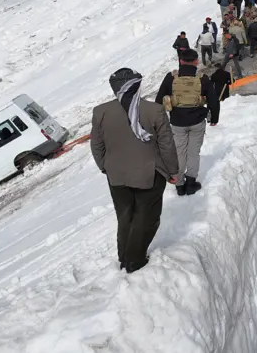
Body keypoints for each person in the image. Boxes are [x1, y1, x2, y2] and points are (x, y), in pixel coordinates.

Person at [90, 68, 179, 273]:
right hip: (150, 173)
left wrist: (106, 166)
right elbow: (166, 145)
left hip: (116, 176)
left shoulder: (101, 112)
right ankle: (135, 260)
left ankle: (124, 257)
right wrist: (173, 171)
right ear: (137, 85)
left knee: (125, 216)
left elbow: (97, 146)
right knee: (146, 218)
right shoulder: (154, 110)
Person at [155, 49, 220, 196]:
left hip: (177, 123)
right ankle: (191, 183)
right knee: (193, 153)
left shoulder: (171, 78)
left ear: (181, 61)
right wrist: (214, 118)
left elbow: (158, 100)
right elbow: (213, 100)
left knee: (179, 152)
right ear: (196, 62)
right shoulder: (202, 78)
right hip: (197, 121)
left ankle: (179, 185)